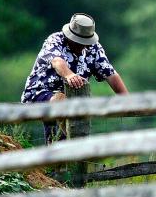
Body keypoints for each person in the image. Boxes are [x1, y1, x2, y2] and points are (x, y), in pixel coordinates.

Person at [21, 13, 129, 144]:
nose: (82, 45)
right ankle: (73, 146)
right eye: (78, 41)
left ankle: (68, 152)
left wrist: (127, 100)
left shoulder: (94, 47)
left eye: (85, 42)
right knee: (62, 102)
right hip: (39, 94)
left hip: (72, 104)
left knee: (65, 121)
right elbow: (57, 61)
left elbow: (110, 74)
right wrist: (69, 74)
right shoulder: (55, 40)